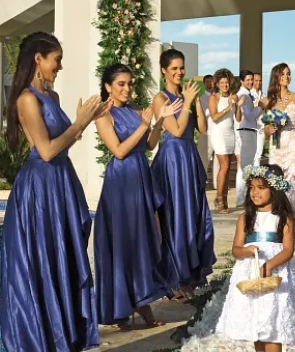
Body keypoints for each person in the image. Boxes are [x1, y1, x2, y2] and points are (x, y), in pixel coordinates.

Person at [0, 32, 104, 352]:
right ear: (38, 59)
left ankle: (64, 339)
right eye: (56, 59)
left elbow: (63, 145)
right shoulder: (26, 99)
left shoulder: (53, 97)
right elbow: (45, 151)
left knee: (64, 261)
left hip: (59, 185)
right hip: (38, 192)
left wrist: (83, 123)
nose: (59, 66)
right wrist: (80, 123)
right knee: (41, 263)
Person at [94, 63, 175, 329]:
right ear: (108, 87)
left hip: (140, 178)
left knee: (143, 241)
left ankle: (140, 304)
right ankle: (123, 310)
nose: (127, 88)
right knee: (124, 245)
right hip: (121, 183)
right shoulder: (104, 114)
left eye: (130, 83)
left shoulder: (134, 111)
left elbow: (149, 145)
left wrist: (158, 120)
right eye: (121, 84)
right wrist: (143, 124)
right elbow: (118, 151)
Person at [150, 48, 216, 302]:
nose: (179, 72)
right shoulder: (160, 99)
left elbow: (202, 128)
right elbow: (175, 131)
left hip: (189, 158)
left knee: (194, 216)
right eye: (174, 68)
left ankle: (191, 275)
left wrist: (196, 102)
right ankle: (174, 278)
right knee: (175, 217)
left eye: (182, 67)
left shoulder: (189, 95)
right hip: (171, 162)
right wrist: (187, 102)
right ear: (164, 70)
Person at [216, 165, 295, 351]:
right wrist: (247, 251)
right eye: (252, 187)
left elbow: (288, 250)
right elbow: (236, 250)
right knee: (257, 323)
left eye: (261, 187)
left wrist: (269, 265)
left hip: (273, 274)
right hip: (250, 274)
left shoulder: (284, 219)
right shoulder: (244, 218)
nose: (255, 192)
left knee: (272, 323)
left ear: (275, 189)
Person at [259, 63, 295, 208]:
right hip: (276, 148)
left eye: (288, 73)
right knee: (276, 185)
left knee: (291, 183)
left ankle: (292, 217)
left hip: (293, 147)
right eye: (283, 74)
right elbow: (265, 131)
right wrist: (269, 130)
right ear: (276, 76)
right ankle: (279, 219)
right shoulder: (268, 101)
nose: (286, 77)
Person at [207, 68, 240, 213]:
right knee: (224, 166)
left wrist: (237, 105)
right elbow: (214, 117)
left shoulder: (233, 97)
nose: (225, 85)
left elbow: (238, 118)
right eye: (222, 83)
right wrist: (228, 108)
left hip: (230, 133)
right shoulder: (213, 98)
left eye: (227, 83)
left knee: (227, 168)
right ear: (217, 84)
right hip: (218, 133)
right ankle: (220, 199)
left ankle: (224, 198)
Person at [236, 70, 263, 207]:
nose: (251, 82)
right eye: (248, 80)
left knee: (248, 165)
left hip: (249, 131)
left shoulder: (247, 94)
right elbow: (249, 116)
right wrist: (260, 107)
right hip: (246, 131)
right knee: (245, 167)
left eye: (252, 79)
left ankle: (244, 197)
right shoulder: (244, 95)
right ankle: (241, 198)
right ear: (241, 81)